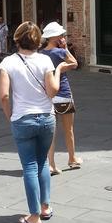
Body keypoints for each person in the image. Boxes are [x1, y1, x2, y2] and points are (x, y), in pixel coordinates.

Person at [0, 21, 72, 223]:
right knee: (42, 164)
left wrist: (10, 115)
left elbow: (4, 96)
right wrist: (57, 72)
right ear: (38, 40)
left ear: (17, 39)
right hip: (46, 118)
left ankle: (34, 216)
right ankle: (46, 207)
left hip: (23, 119)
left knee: (29, 166)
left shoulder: (8, 63)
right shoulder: (46, 61)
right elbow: (53, 91)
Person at [40, 21, 82, 175]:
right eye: (61, 35)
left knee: (51, 131)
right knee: (68, 129)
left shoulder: (40, 54)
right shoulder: (60, 53)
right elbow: (75, 63)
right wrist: (65, 49)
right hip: (63, 94)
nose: (63, 36)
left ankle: (50, 164)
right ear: (55, 37)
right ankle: (72, 159)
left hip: (49, 96)